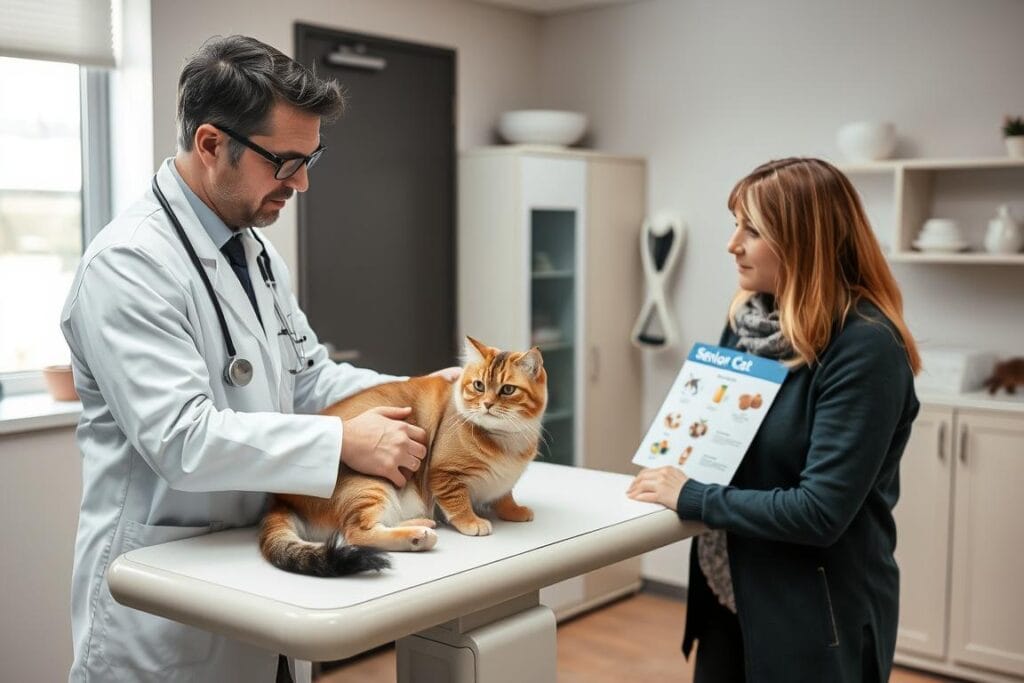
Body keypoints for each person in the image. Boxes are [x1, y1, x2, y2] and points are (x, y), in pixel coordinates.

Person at [60, 35, 458, 683]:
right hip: (165, 604)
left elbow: (311, 377)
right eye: (286, 162)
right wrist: (340, 440)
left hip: (256, 577)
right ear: (213, 144)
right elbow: (181, 438)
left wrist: (428, 390)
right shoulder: (128, 264)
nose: (300, 182)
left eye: (311, 158)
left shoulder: (254, 250)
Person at [628, 157, 921, 682]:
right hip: (730, 588)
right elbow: (719, 438)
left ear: (804, 241)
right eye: (734, 224)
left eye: (752, 230)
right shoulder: (747, 322)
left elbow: (819, 512)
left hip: (812, 614)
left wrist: (691, 494)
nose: (732, 244)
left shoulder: (865, 349)